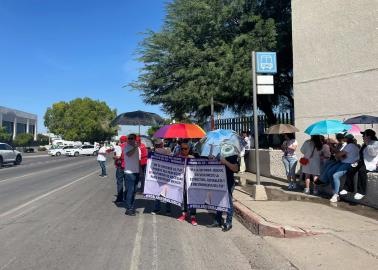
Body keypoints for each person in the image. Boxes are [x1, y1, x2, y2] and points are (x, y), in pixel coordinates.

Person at [320, 133, 360, 202]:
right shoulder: (350, 145)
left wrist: (337, 154)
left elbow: (339, 154)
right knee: (330, 172)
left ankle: (335, 194)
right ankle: (335, 192)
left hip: (348, 164)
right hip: (343, 162)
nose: (342, 138)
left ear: (347, 139)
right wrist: (334, 149)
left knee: (335, 176)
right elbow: (340, 153)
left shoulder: (350, 145)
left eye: (344, 137)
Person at [341, 129, 378, 200]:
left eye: (364, 135)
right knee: (350, 169)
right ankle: (348, 188)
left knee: (361, 171)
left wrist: (367, 143)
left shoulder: (375, 143)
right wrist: (356, 160)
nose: (362, 137)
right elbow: (361, 154)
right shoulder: (365, 144)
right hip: (361, 161)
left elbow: (373, 153)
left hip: (370, 163)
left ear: (369, 136)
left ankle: (361, 192)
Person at [207, 154, 239, 232]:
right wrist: (212, 160)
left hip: (228, 182)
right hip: (219, 182)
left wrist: (225, 161)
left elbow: (235, 169)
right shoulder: (218, 154)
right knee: (219, 201)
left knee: (228, 202)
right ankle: (217, 221)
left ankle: (228, 222)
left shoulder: (233, 154)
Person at [176, 142, 198, 226]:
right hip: (181, 182)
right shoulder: (178, 157)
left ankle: (193, 217)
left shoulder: (192, 158)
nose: (183, 150)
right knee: (183, 198)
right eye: (182, 149)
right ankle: (184, 214)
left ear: (189, 149)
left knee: (192, 199)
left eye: (185, 149)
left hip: (191, 183)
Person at [151, 139, 172, 215]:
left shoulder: (155, 151)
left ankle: (157, 208)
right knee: (167, 192)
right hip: (166, 174)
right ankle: (168, 210)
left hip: (159, 175)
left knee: (157, 192)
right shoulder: (167, 150)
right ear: (162, 144)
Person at [124, 134, 141, 216]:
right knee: (130, 191)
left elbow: (139, 160)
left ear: (135, 139)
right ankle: (128, 209)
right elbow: (129, 154)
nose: (130, 140)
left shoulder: (138, 148)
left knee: (134, 191)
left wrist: (140, 171)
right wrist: (135, 147)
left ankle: (132, 207)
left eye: (132, 138)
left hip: (136, 172)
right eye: (129, 138)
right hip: (129, 173)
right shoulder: (127, 147)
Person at [113, 136, 127, 202]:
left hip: (120, 166)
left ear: (121, 140)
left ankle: (120, 198)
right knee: (127, 183)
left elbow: (118, 156)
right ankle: (127, 197)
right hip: (129, 167)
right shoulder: (130, 146)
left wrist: (114, 157)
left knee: (120, 182)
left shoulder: (119, 146)